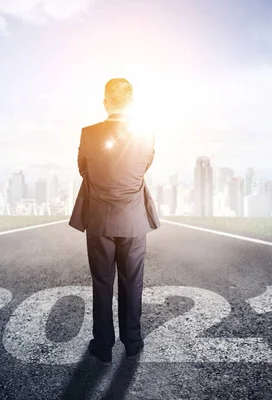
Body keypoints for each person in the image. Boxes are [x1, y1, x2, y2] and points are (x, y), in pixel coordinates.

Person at [69, 77, 160, 366]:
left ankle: (104, 346)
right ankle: (132, 343)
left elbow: (84, 170)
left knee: (102, 282)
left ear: (105, 102)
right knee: (133, 283)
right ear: (131, 102)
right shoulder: (145, 135)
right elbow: (144, 166)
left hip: (99, 219)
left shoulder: (88, 133)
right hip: (133, 220)